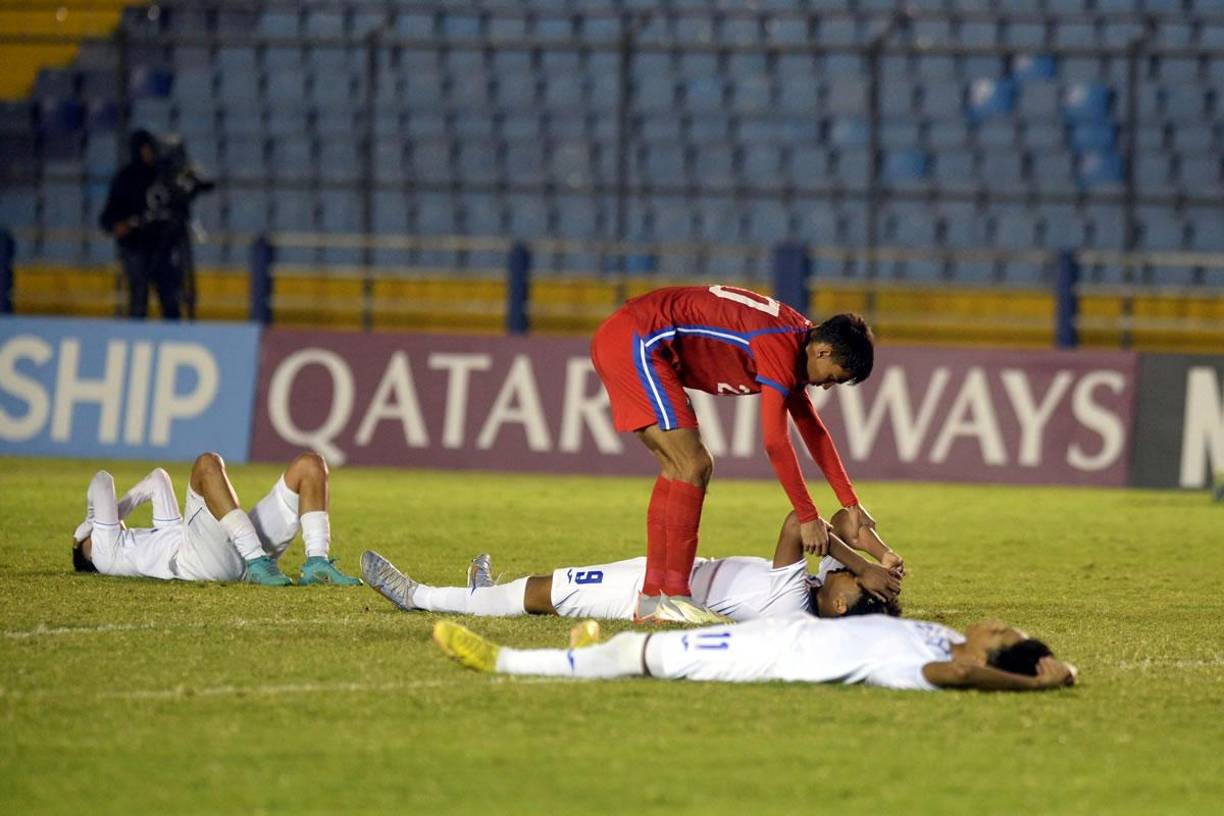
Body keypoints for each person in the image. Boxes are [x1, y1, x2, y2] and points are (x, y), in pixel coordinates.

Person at [589, 284, 876, 623]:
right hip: (638, 340)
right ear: (823, 352)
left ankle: (656, 597)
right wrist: (807, 515)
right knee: (692, 464)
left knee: (680, 467)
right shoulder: (780, 344)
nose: (827, 386)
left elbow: (813, 430)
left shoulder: (795, 341)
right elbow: (774, 441)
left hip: (634, 338)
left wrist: (850, 503)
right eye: (832, 378)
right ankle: (672, 597)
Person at [361, 507, 903, 622]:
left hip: (654, 595)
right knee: (555, 583)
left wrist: (862, 563)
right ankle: (483, 593)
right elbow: (842, 518)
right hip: (672, 572)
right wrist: (879, 556)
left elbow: (796, 524)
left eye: (851, 581)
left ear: (838, 605)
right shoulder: (813, 590)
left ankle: (419, 596)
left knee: (544, 595)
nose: (847, 573)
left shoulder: (791, 603)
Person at [433, 614, 1079, 693]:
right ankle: (594, 647)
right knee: (645, 645)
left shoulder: (928, 667)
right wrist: (1066, 669)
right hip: (775, 630)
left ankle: (504, 662)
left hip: (764, 658)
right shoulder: (937, 633)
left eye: (1004, 635)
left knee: (641, 658)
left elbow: (963, 676)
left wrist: (1036, 685)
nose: (996, 622)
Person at [71, 452, 361, 587]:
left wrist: (107, 518)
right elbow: (102, 481)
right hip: (203, 563)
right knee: (206, 465)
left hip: (221, 548)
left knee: (309, 465)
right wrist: (88, 524)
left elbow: (158, 479)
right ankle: (256, 559)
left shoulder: (141, 540)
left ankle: (316, 563)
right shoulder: (105, 556)